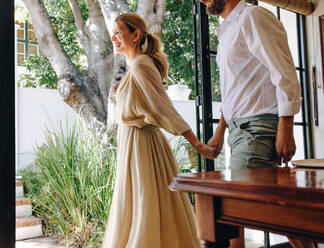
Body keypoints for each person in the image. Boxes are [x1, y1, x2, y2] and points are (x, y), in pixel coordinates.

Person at [200, 0, 314, 247]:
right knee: (274, 207)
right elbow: (234, 92)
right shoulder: (226, 31)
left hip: (258, 129)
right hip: (239, 130)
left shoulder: (253, 17)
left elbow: (284, 73)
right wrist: (220, 132)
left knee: (233, 207)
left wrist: (286, 128)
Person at [102, 12, 215, 248]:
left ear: (135, 35)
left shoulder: (142, 64)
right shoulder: (135, 65)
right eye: (113, 33)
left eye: (118, 32)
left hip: (143, 146)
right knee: (139, 205)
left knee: (146, 205)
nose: (114, 38)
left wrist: (197, 144)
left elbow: (164, 107)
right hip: (133, 145)